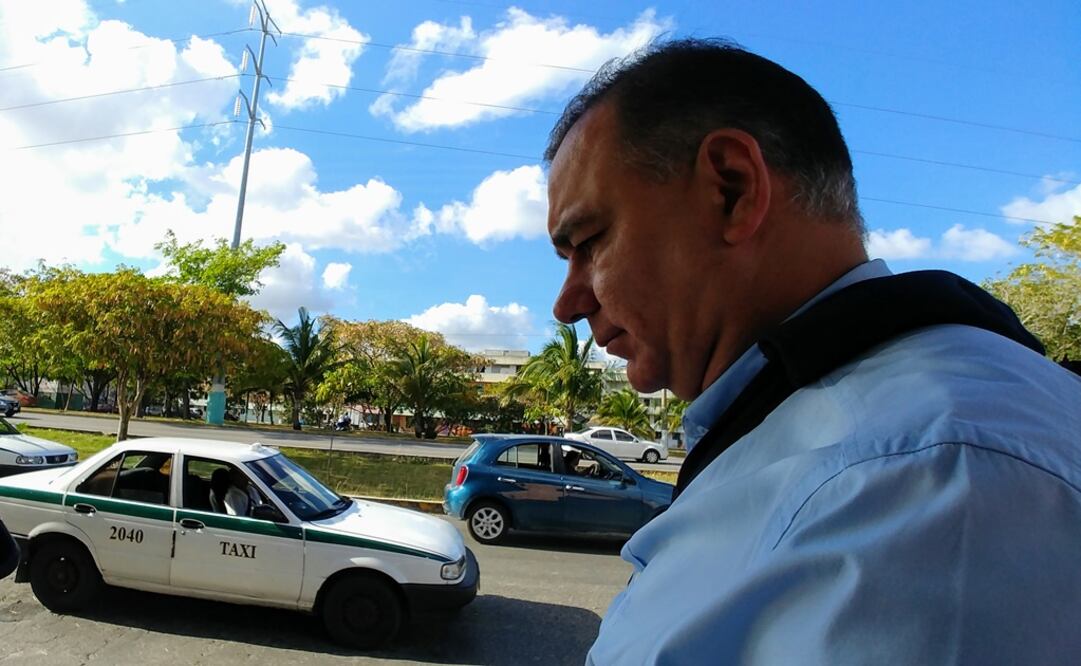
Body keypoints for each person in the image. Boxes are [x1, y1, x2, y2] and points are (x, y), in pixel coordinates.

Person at [544, 38, 1081, 664]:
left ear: (732, 189)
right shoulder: (844, 443)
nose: (568, 303)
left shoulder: (925, 483)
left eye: (588, 241)